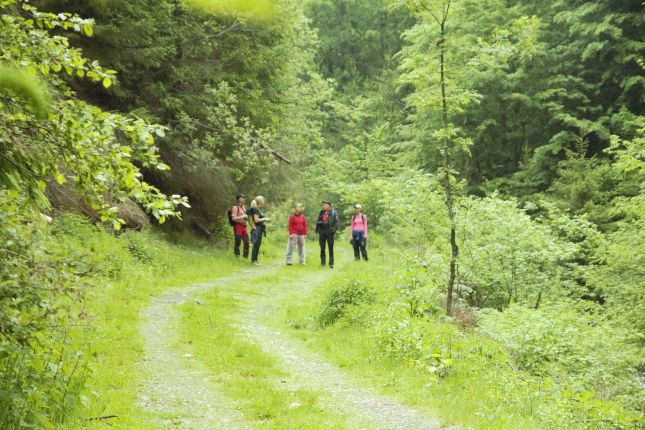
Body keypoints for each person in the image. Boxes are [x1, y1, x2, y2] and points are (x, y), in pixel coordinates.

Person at [248, 196, 271, 265]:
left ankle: (255, 259)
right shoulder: (256, 209)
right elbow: (256, 220)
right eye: (263, 200)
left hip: (259, 228)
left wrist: (266, 220)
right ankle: (253, 260)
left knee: (257, 244)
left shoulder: (258, 209)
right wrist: (265, 219)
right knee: (256, 244)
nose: (264, 201)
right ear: (260, 201)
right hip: (257, 229)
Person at [315, 200, 338, 268]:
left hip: (329, 231)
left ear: (329, 205)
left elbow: (336, 223)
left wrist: (333, 230)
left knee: (330, 247)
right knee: (322, 247)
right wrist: (318, 229)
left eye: (325, 205)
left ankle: (331, 263)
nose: (323, 206)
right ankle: (323, 263)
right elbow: (318, 220)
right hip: (322, 231)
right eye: (323, 205)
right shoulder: (322, 212)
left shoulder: (333, 212)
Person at [231, 193, 249, 258]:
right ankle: (237, 255)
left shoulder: (243, 208)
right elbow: (233, 218)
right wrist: (242, 216)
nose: (244, 199)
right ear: (239, 199)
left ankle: (245, 256)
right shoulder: (235, 208)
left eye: (244, 198)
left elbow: (246, 218)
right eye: (242, 198)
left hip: (244, 227)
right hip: (238, 226)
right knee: (238, 241)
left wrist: (246, 221)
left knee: (246, 241)